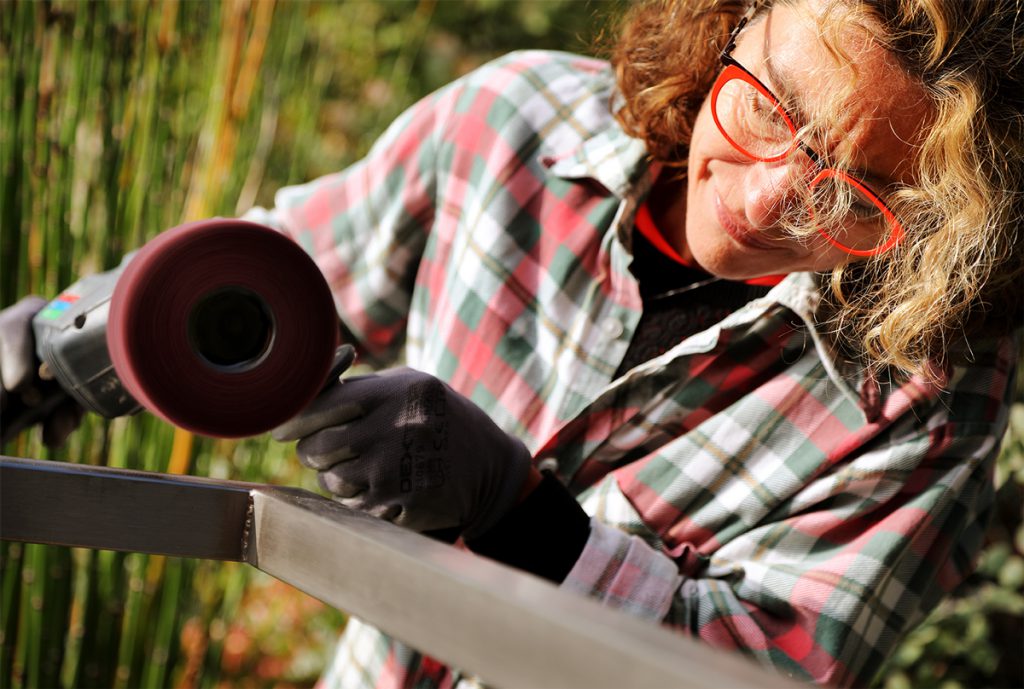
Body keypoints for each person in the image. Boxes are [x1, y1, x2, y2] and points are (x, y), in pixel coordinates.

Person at [1, 0, 1020, 687]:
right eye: (769, 109)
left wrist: (520, 515)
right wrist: (64, 337)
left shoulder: (931, 395)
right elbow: (269, 279)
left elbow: (762, 670)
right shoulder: (510, 127)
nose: (762, 202)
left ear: (943, 213)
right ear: (732, 19)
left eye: (854, 189)